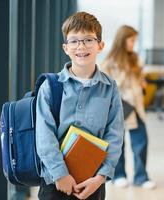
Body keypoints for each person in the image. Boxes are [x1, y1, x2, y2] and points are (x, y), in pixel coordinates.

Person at [36, 12, 124, 200]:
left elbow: (115, 135)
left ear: (100, 45)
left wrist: (100, 177)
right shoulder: (51, 87)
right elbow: (44, 135)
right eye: (74, 41)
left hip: (92, 185)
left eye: (88, 40)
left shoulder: (110, 88)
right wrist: (60, 174)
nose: (81, 46)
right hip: (54, 183)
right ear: (65, 48)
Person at [102, 25, 156, 190]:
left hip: (136, 108)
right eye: (131, 40)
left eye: (135, 40)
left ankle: (141, 177)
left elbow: (139, 79)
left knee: (141, 142)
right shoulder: (109, 63)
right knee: (118, 143)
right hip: (120, 108)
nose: (134, 44)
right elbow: (108, 86)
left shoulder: (135, 59)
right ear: (122, 40)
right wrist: (126, 71)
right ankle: (119, 175)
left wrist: (141, 80)